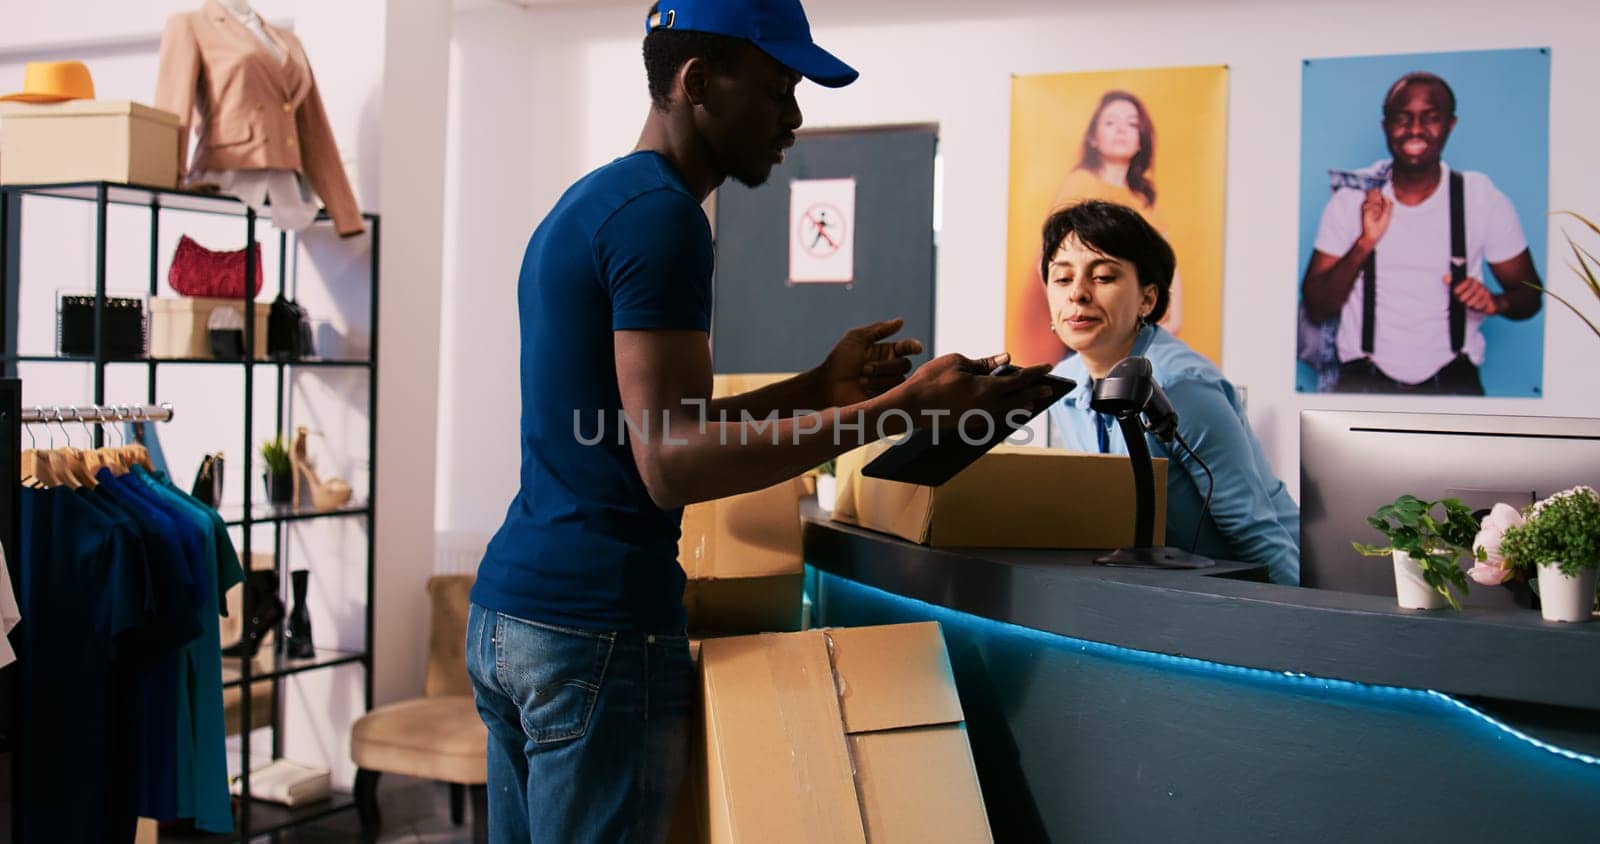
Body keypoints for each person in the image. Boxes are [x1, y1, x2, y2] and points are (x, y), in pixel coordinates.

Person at [466, 1, 1051, 841]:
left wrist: (819, 387)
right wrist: (899, 410)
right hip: (596, 630)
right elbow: (673, 462)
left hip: (515, 615)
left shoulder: (595, 201)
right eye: (777, 88)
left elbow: (643, 429)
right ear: (697, 83)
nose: (795, 116)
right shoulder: (664, 219)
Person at [1041, 201, 1299, 585]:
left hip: (1236, 593)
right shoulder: (1066, 383)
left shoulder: (1179, 384)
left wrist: (1290, 627)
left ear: (1147, 299)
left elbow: (1254, 532)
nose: (1077, 294)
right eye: (1062, 279)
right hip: (1156, 590)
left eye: (1104, 277)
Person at [1300, 71, 1541, 394]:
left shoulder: (1481, 198)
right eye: (1403, 118)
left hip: (1454, 384)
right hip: (1362, 384)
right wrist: (1365, 242)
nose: (1415, 130)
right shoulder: (1351, 200)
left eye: (1430, 118)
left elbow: (1530, 297)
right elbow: (1316, 305)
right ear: (1385, 126)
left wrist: (1496, 302)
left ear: (1450, 124)